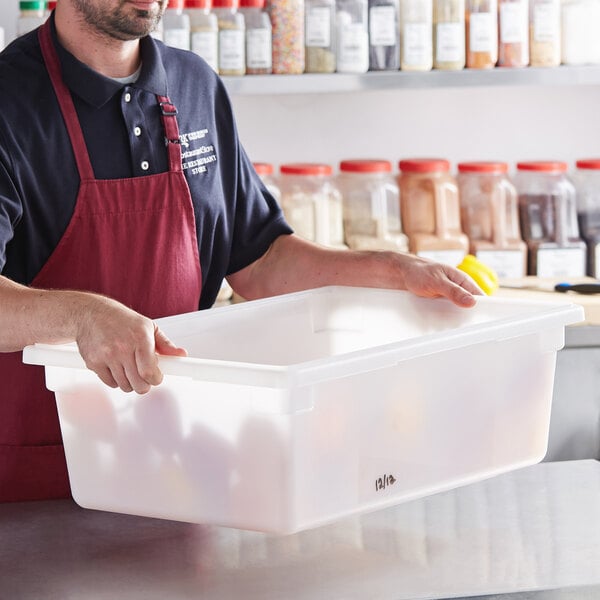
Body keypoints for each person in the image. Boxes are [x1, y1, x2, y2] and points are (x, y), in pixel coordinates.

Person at [0, 0, 482, 502]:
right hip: (44, 479)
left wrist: (392, 271)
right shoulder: (9, 100)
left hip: (178, 466)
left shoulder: (194, 85)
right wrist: (84, 318)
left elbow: (262, 262)